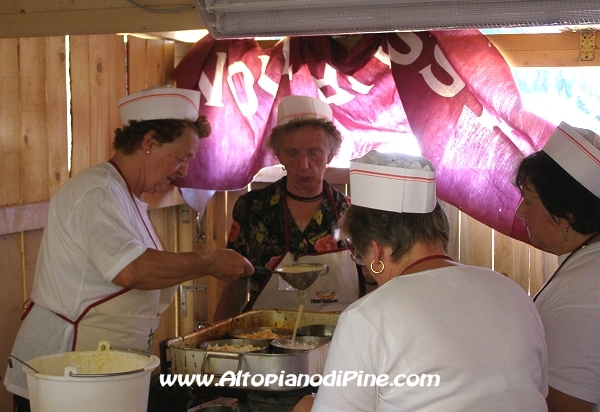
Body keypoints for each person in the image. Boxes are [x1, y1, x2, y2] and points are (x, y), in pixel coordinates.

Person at [4, 86, 254, 411]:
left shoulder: (128, 197)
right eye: (181, 158)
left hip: (105, 374)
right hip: (63, 375)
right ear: (148, 142)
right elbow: (131, 269)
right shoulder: (97, 191)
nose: (183, 171)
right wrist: (210, 261)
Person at [293, 150, 548, 412]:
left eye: (361, 255)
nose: (368, 266)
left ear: (377, 249)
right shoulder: (514, 294)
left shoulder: (367, 317)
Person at [214, 95, 362, 320]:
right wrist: (215, 337)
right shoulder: (252, 208)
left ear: (330, 154)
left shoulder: (352, 213)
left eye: (314, 152)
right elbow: (236, 284)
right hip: (266, 341)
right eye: (293, 153)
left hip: (336, 342)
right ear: (279, 154)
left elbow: (371, 281)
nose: (304, 164)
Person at [515, 121, 600, 412]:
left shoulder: (581, 295)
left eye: (528, 202)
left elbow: (564, 405)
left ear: (564, 217)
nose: (519, 212)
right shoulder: (587, 262)